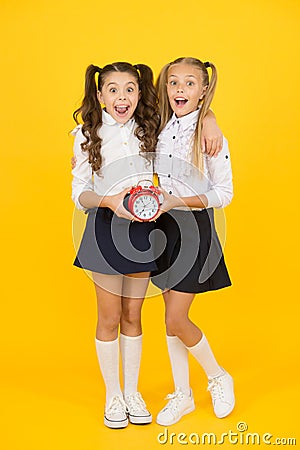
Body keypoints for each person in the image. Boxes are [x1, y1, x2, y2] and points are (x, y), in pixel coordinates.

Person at [70, 61, 223, 429]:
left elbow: (188, 112)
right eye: (113, 90)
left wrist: (209, 117)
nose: (122, 97)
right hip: (105, 228)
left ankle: (133, 392)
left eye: (130, 89)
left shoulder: (149, 127)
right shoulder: (85, 133)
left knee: (133, 316)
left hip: (143, 230)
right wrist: (109, 202)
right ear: (100, 95)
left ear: (141, 95)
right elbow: (79, 193)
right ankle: (114, 395)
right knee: (108, 317)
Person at [151, 57, 235, 426]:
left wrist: (210, 118)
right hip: (161, 228)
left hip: (193, 227)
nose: (179, 89)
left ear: (203, 91)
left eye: (189, 83)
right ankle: (182, 395)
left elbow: (224, 193)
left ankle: (218, 376)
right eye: (173, 82)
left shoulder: (210, 134)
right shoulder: (158, 127)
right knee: (169, 321)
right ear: (165, 88)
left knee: (176, 316)